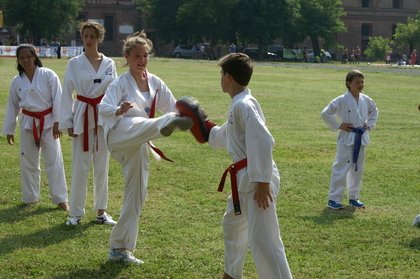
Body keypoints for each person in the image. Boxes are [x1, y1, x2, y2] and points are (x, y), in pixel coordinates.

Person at [99, 30, 193, 264]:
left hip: (140, 142)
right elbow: (104, 107)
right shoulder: (119, 82)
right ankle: (162, 125)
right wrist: (118, 110)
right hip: (120, 135)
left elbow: (173, 108)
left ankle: (119, 248)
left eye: (145, 56)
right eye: (137, 56)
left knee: (136, 195)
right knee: (138, 122)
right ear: (127, 57)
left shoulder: (156, 82)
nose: (142, 60)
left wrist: (196, 119)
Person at [203, 53, 292, 279]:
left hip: (255, 179)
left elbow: (262, 140)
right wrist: (202, 126)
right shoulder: (238, 105)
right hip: (244, 179)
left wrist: (262, 183)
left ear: (229, 77)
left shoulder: (245, 104)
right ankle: (231, 273)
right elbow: (224, 136)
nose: (220, 78)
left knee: (265, 239)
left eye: (221, 74)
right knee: (233, 224)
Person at [60, 21, 118, 226]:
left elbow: (115, 92)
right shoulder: (74, 63)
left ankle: (101, 212)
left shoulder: (110, 63)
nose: (89, 39)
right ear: (82, 38)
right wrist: (66, 122)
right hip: (82, 115)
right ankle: (75, 213)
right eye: (86, 36)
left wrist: (115, 118)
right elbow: (66, 93)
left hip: (103, 117)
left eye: (93, 36)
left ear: (99, 38)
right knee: (80, 166)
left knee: (102, 166)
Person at [2, 44, 68, 210]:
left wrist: (57, 123)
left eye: (28, 57)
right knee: (28, 161)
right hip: (28, 124)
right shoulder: (17, 81)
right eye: (22, 58)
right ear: (18, 60)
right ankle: (31, 197)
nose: (26, 60)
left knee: (54, 160)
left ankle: (60, 199)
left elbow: (58, 99)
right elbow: (12, 106)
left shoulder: (48, 75)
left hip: (48, 121)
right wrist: (9, 129)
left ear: (35, 56)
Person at [321, 69, 378, 210]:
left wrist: (369, 124)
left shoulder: (366, 99)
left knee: (357, 169)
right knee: (341, 167)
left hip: (360, 137)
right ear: (349, 83)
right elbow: (325, 113)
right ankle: (334, 199)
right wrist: (339, 125)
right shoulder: (341, 100)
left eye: (362, 82)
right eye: (357, 82)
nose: (360, 85)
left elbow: (375, 111)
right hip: (347, 137)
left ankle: (354, 197)